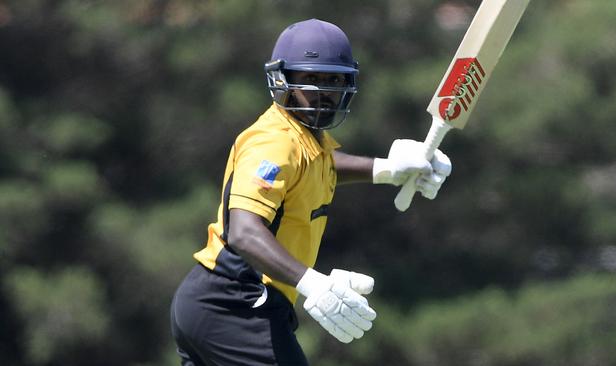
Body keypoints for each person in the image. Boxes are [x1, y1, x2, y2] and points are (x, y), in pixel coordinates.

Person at [170, 18, 452, 366]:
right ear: (282, 80)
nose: (323, 92)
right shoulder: (273, 140)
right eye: (311, 79)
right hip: (234, 302)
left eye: (333, 80)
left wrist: (388, 169)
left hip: (222, 304)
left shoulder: (308, 141)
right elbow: (243, 231)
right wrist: (313, 283)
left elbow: (324, 166)